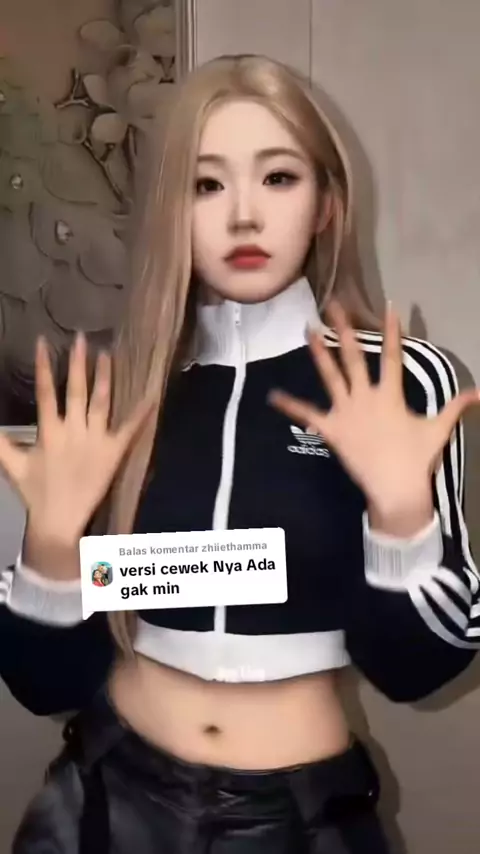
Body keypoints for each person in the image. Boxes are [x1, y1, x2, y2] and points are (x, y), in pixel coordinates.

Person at [0, 53, 479, 854]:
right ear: (172, 211)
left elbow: (419, 671)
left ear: (327, 203)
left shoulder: (398, 382)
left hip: (300, 818)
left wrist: (402, 518)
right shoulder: (119, 393)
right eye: (207, 184)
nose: (245, 216)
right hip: (102, 797)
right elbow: (45, 684)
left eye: (279, 178)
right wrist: (50, 551)